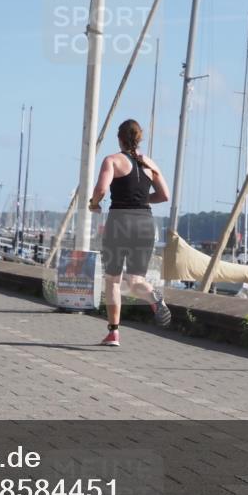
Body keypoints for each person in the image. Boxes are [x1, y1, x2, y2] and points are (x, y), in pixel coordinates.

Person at [88, 119, 172, 346]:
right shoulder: (150, 164)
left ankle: (114, 332)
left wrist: (94, 203)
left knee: (113, 280)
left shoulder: (112, 160)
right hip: (145, 223)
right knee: (136, 280)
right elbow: (164, 195)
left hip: (119, 222)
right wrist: (144, 199)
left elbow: (101, 189)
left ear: (120, 138)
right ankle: (153, 295)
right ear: (139, 139)